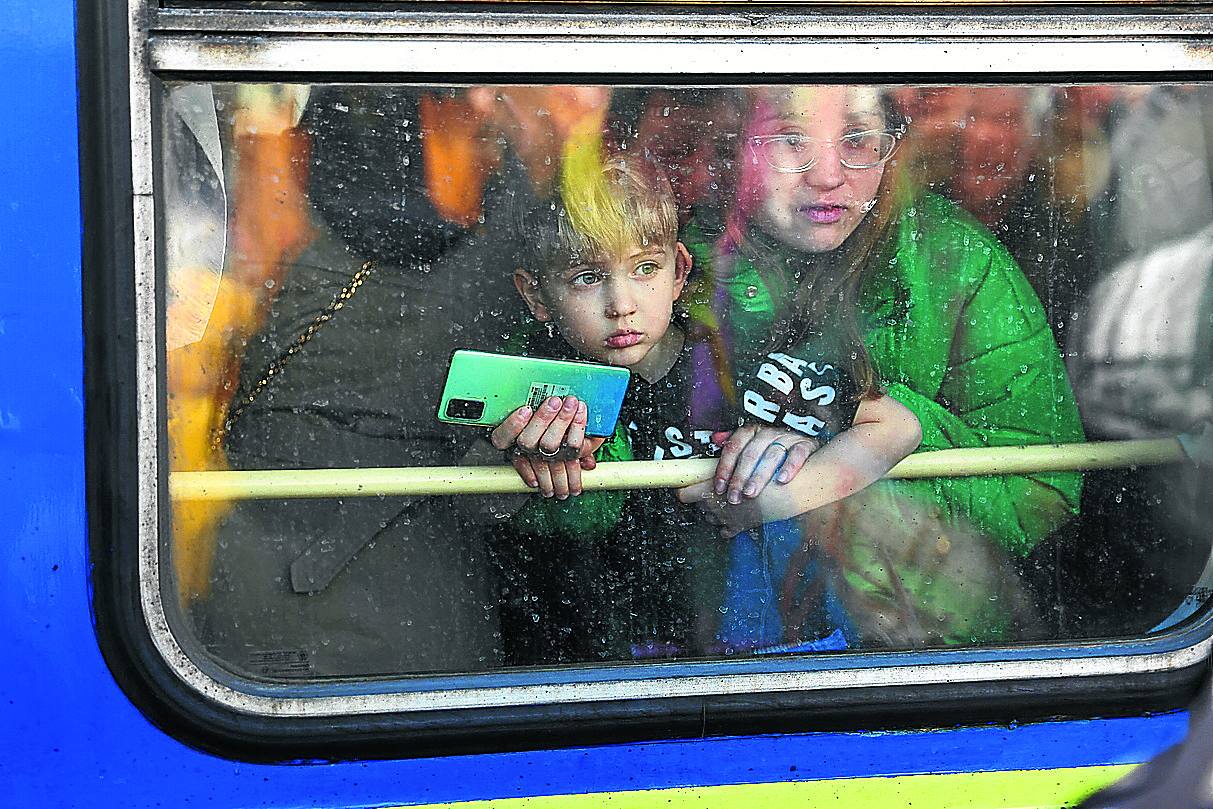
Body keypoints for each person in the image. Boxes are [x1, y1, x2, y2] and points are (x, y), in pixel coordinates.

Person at [473, 138, 920, 664]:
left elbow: (895, 426)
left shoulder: (736, 365)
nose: (621, 305)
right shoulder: (532, 389)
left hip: (775, 652)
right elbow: (472, 501)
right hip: (610, 658)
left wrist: (773, 499)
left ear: (680, 271)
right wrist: (520, 463)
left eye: (645, 269)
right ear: (535, 296)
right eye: (588, 278)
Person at [679, 86, 1086, 646]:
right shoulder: (671, 260)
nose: (826, 176)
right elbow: (613, 463)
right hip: (701, 653)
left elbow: (1043, 486)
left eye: (856, 140)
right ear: (739, 146)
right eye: (790, 140)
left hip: (918, 643)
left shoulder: (952, 260)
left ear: (890, 148)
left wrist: (853, 443)